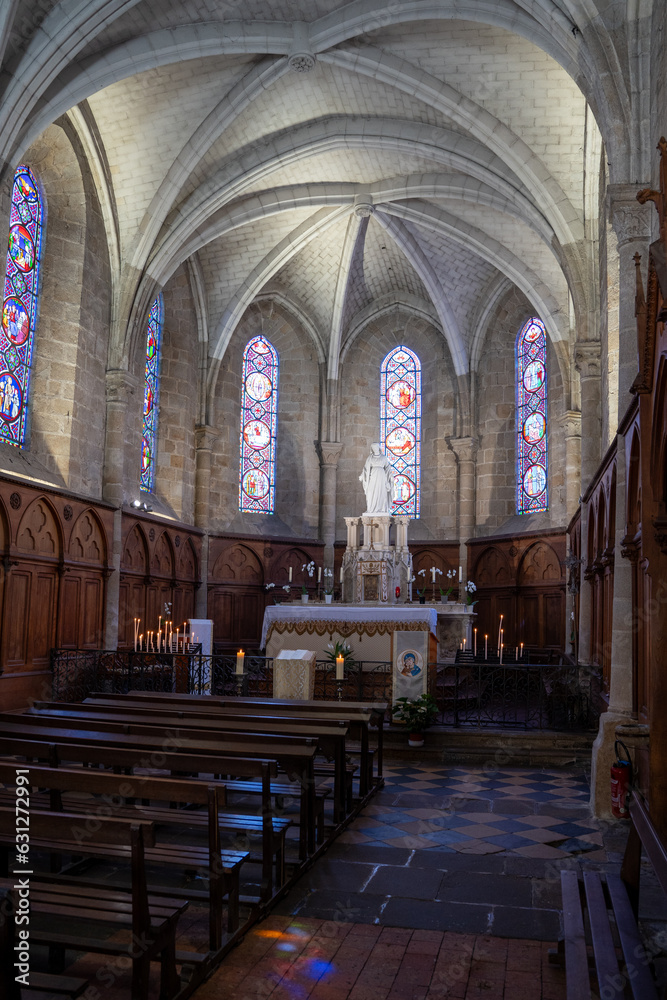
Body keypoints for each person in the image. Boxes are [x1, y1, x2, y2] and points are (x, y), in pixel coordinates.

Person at [359, 443, 395, 513]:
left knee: (382, 491)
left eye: (376, 447)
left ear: (379, 448)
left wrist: (391, 476)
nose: (375, 449)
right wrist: (362, 476)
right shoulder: (370, 458)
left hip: (381, 477)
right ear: (372, 449)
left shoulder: (383, 457)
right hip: (373, 476)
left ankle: (382, 509)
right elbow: (366, 469)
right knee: (371, 492)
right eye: (373, 448)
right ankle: (371, 509)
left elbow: (388, 468)